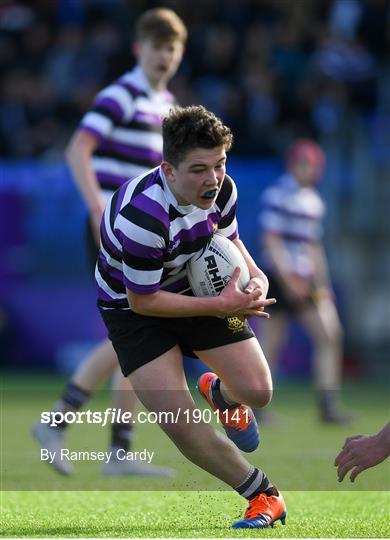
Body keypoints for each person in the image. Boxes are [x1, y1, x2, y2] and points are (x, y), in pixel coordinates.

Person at [96, 104, 286, 529]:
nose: (213, 179)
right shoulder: (144, 215)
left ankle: (223, 396)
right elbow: (144, 300)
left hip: (196, 286)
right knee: (180, 422)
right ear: (169, 169)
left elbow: (230, 242)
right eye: (199, 169)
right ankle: (264, 496)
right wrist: (222, 307)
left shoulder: (224, 190)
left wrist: (257, 279)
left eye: (219, 164)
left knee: (257, 391)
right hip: (133, 310)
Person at [33, 7, 186, 477]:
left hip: (141, 234)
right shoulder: (121, 94)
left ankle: (118, 449)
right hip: (112, 228)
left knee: (138, 334)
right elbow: (78, 148)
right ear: (139, 48)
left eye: (172, 48)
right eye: (157, 47)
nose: (164, 56)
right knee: (137, 330)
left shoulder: (167, 106)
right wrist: (97, 206)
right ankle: (57, 422)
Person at [257, 139, 350, 423]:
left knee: (329, 334)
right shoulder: (277, 195)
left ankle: (328, 404)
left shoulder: (313, 200)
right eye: (304, 163)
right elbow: (271, 241)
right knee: (270, 345)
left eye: (312, 165)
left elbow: (313, 246)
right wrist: (287, 280)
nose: (309, 170)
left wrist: (322, 284)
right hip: (280, 278)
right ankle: (255, 407)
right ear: (292, 164)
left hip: (305, 279)